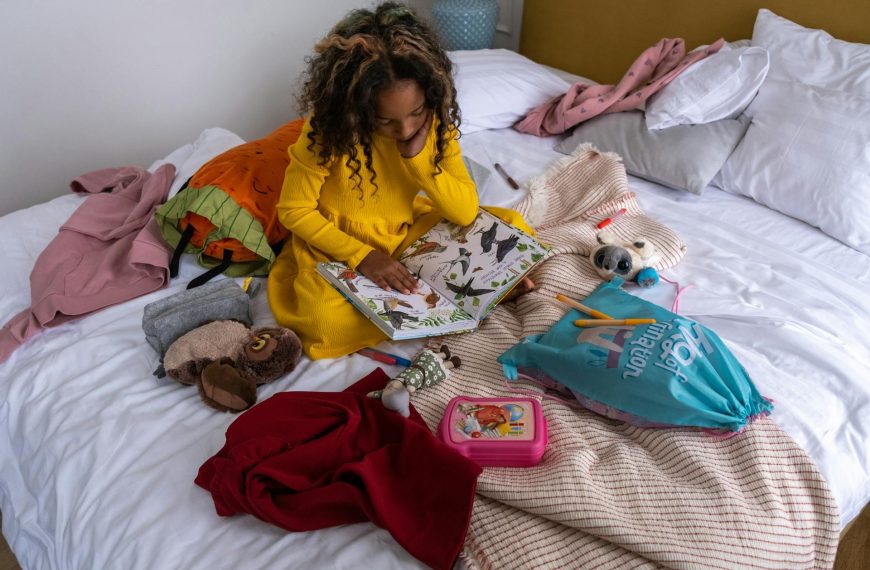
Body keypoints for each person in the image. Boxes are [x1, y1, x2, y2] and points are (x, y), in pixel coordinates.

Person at [269, 2, 534, 360]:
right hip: (338, 244)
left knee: (514, 227)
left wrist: (419, 162)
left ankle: (456, 295)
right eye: (386, 121)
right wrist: (363, 257)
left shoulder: (434, 127)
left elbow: (464, 211)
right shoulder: (327, 132)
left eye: (415, 113)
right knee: (323, 321)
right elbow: (294, 210)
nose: (406, 129)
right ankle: (473, 294)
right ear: (358, 109)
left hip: (407, 232)